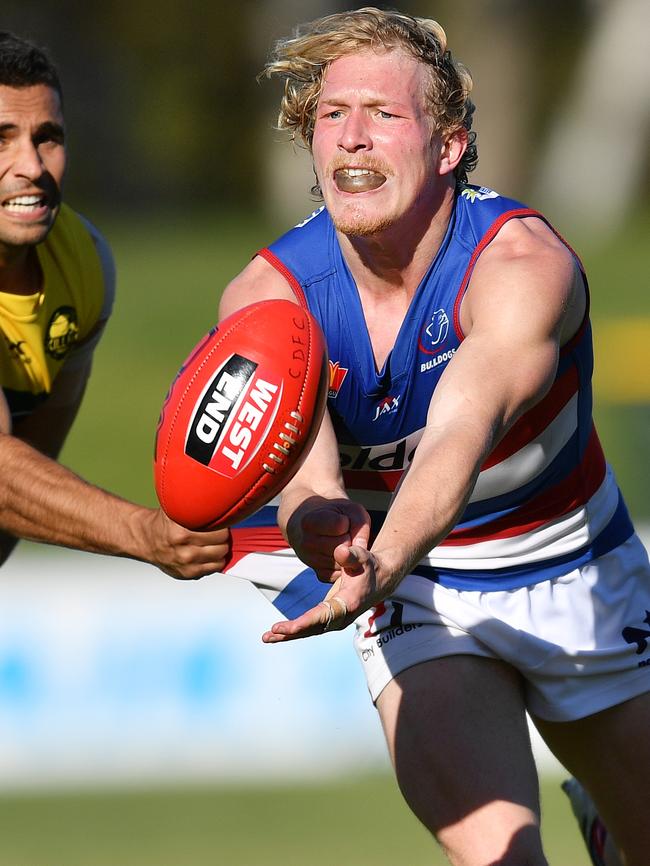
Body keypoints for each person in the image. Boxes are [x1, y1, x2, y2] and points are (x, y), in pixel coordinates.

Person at [219, 8, 649, 866]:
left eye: (384, 114)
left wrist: (381, 558)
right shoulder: (266, 299)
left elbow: (458, 431)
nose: (353, 137)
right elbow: (305, 477)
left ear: (448, 146)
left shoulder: (523, 265)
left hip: (575, 567)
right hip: (426, 596)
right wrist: (318, 529)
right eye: (333, 115)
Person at [0, 31, 228, 578]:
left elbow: (27, 480)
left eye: (48, 137)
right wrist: (143, 533)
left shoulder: (83, 267)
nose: (31, 164)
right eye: (1, 138)